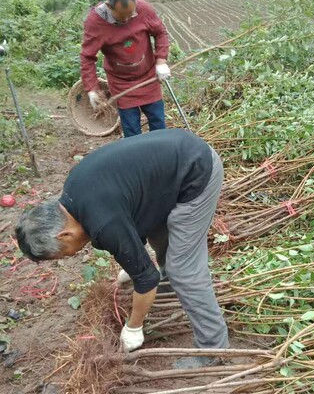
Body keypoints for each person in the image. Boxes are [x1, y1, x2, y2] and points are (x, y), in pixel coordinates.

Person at [15, 129, 229, 353]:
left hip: (196, 171)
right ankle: (168, 285)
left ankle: (213, 348)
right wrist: (134, 261)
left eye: (62, 253)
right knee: (159, 236)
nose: (69, 256)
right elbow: (129, 211)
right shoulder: (72, 195)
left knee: (184, 269)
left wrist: (134, 326)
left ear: (64, 235)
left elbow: (146, 279)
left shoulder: (102, 221)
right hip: (173, 167)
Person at [81, 0, 171, 138]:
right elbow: (87, 57)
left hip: (148, 76)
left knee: (158, 122)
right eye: (123, 16)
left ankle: (161, 156)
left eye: (132, 14)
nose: (128, 18)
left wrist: (161, 61)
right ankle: (137, 159)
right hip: (121, 83)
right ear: (109, 6)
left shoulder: (143, 9)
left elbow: (160, 33)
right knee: (131, 129)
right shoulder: (96, 22)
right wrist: (92, 89)